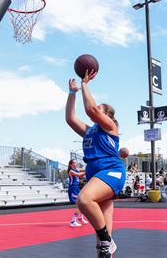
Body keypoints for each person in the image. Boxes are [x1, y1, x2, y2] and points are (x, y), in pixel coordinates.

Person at [65, 69, 126, 257]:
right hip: (95, 174)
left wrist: (84, 84)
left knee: (83, 200)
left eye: (99, 108)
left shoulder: (110, 126)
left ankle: (106, 239)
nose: (95, 109)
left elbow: (90, 110)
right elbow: (70, 118)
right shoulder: (90, 131)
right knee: (102, 249)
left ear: (107, 115)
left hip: (111, 172)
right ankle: (106, 243)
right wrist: (72, 93)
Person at [67, 159, 88, 227]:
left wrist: (91, 167)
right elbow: (79, 175)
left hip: (76, 188)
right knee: (79, 204)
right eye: (74, 163)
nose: (76, 164)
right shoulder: (71, 171)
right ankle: (72, 221)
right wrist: (87, 172)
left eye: (76, 163)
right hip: (73, 189)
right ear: (71, 164)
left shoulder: (77, 169)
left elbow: (83, 170)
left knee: (83, 203)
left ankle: (80, 218)